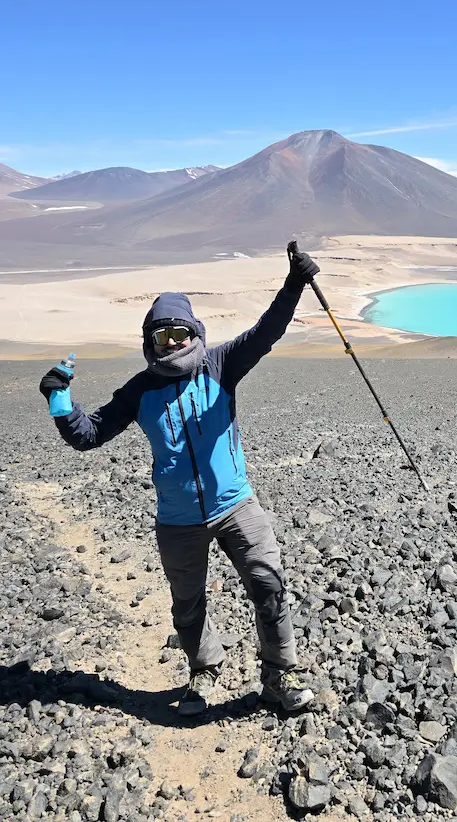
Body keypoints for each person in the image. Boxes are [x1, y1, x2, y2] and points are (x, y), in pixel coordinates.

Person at [38, 246, 320, 717]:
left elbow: (266, 332)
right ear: (148, 341)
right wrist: (60, 402)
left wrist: (293, 284)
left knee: (268, 582)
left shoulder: (222, 364)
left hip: (235, 505)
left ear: (195, 333)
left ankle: (279, 675)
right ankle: (204, 671)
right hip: (178, 518)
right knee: (187, 606)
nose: (170, 343)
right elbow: (89, 436)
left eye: (179, 332)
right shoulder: (139, 390)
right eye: (160, 335)